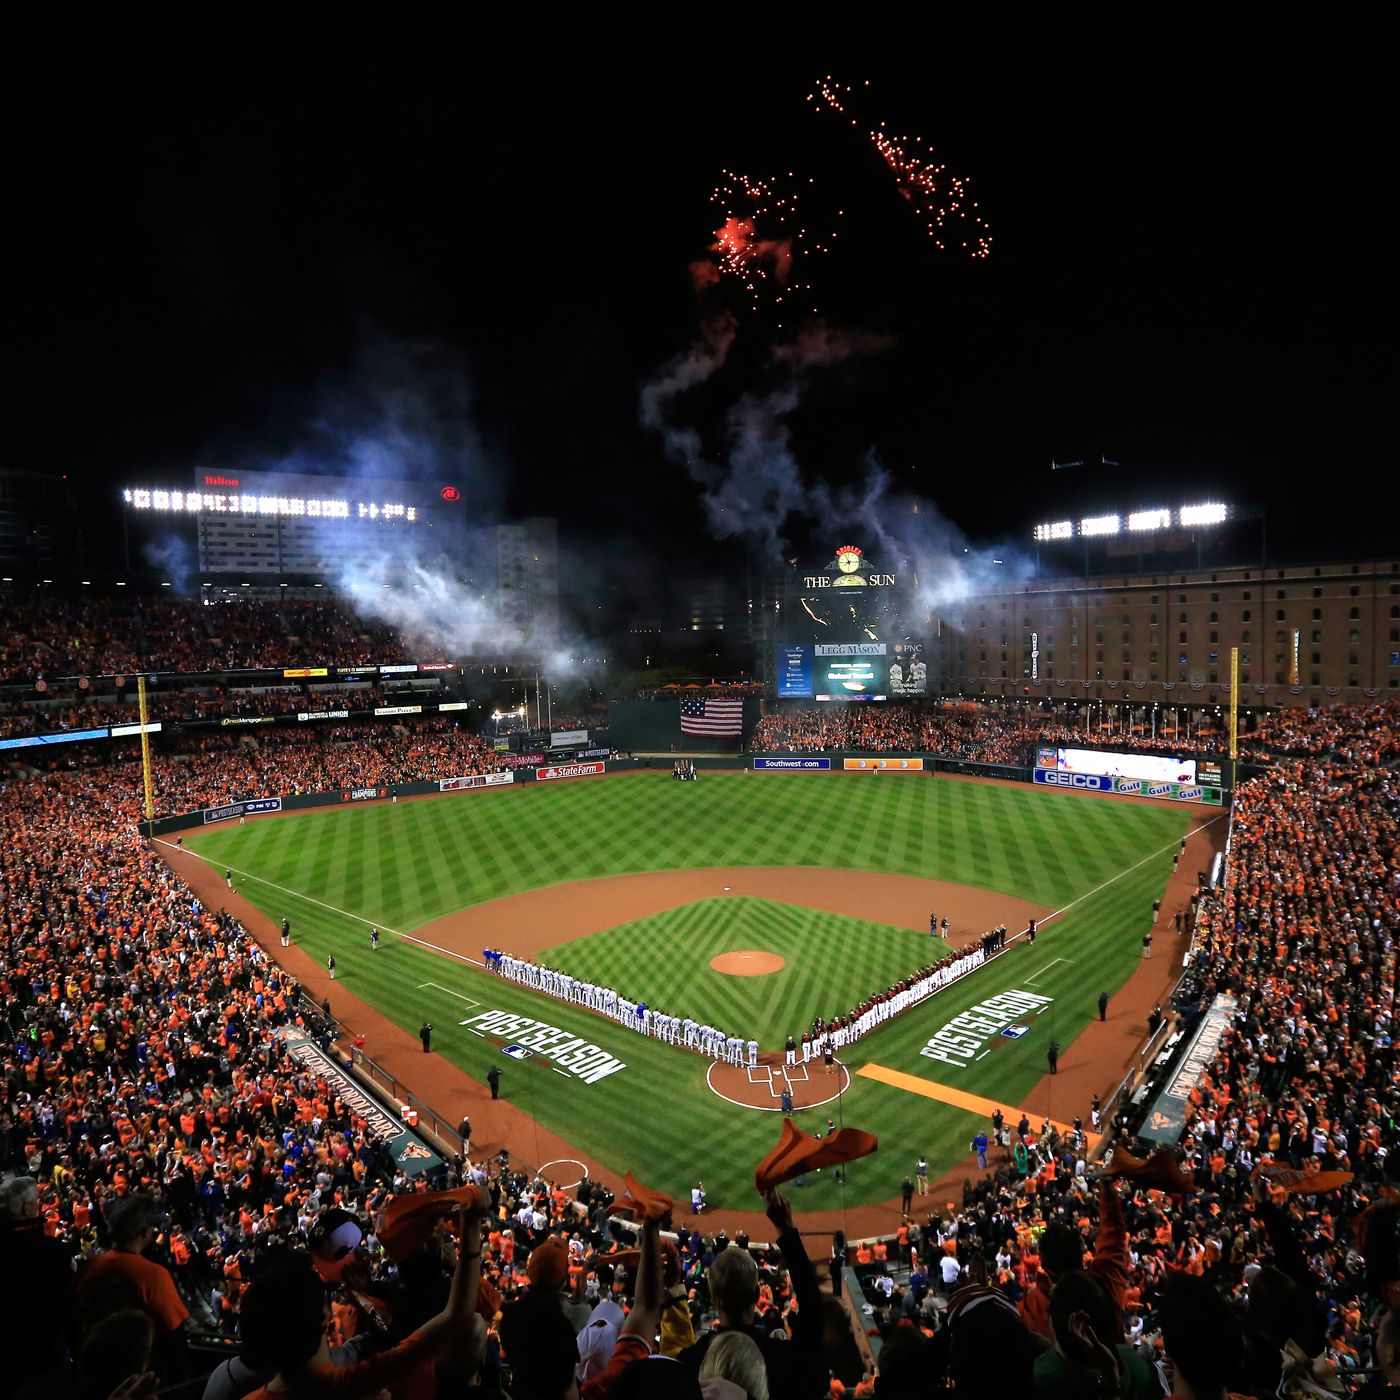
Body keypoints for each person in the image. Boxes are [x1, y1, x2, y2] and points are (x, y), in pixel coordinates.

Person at [237, 1197, 484, 1400]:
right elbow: (456, 1316)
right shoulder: (354, 1382)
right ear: (327, 1321)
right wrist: (471, 1230)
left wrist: (366, 1294)